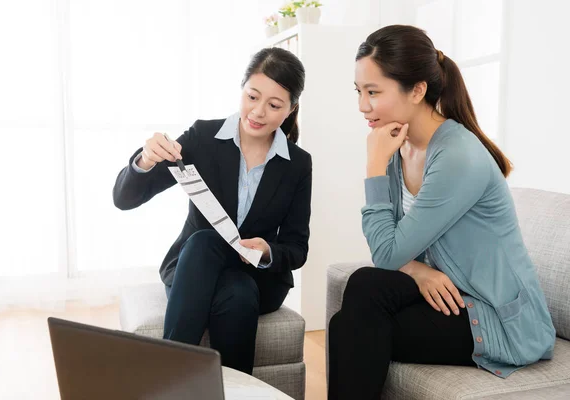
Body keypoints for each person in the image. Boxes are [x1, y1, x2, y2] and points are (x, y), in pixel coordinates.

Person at [328, 25, 555, 399]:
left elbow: (387, 252)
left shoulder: (456, 157)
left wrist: (372, 168)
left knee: (353, 321)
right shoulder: (397, 145)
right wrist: (416, 270)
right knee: (362, 293)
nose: (362, 105)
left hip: (498, 319)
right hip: (452, 296)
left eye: (373, 92)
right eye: (359, 91)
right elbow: (391, 252)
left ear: (417, 90)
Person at [113, 47, 312, 375]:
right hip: (196, 268)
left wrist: (266, 251)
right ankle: (207, 386)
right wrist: (146, 159)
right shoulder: (203, 138)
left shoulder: (298, 164)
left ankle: (166, 381)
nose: (258, 112)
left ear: (291, 110)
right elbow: (124, 198)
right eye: (252, 96)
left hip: (259, 277)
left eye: (274, 105)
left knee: (241, 284)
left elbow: (296, 248)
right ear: (242, 87)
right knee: (222, 269)